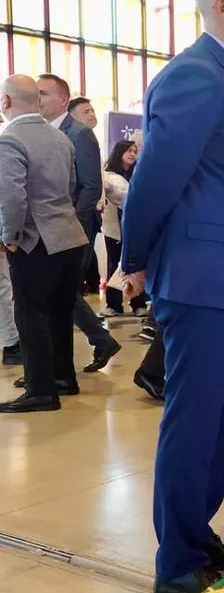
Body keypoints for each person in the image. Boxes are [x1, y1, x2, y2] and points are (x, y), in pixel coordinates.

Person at [120, 0, 224, 593]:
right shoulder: (194, 76)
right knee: (195, 419)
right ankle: (175, 561)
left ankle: (193, 529)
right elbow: (154, 178)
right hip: (198, 280)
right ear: (223, 8)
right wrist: (131, 259)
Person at [0, 75, 89, 413]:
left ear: (6, 102)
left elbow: (11, 198)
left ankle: (40, 389)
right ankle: (63, 377)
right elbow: (70, 185)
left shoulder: (10, 140)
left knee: (31, 313)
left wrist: (8, 237)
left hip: (36, 241)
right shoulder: (60, 137)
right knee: (59, 313)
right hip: (70, 236)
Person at [37, 73, 121, 373]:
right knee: (61, 291)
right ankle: (99, 341)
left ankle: (86, 348)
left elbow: (90, 186)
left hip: (73, 227)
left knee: (60, 290)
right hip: (51, 227)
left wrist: (72, 221)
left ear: (63, 99)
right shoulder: (44, 132)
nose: (38, 99)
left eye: (44, 93)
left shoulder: (79, 134)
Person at [100, 140, 148, 317]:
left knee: (137, 263)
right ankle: (113, 304)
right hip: (114, 227)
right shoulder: (108, 176)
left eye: (135, 151)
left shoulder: (138, 174)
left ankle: (138, 303)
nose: (132, 154)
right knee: (114, 263)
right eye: (128, 150)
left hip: (136, 227)